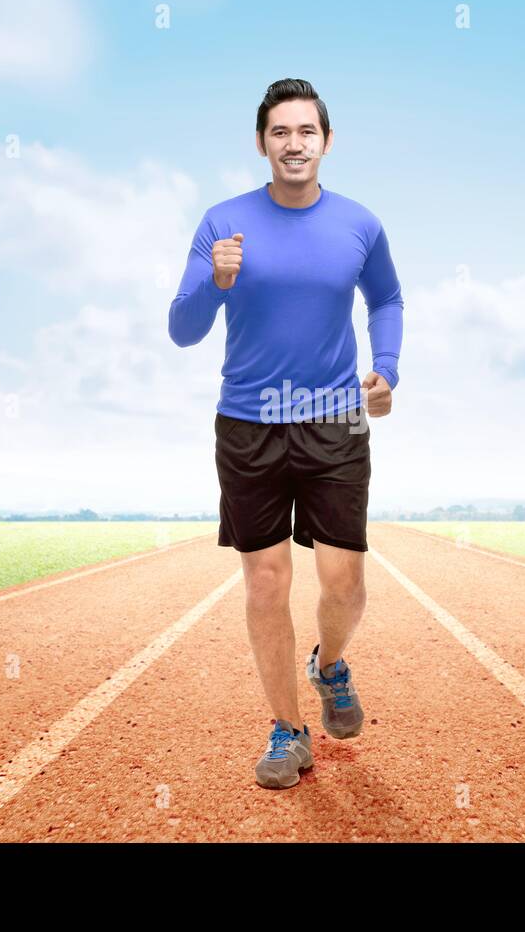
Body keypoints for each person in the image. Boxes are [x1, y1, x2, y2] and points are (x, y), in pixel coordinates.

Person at [168, 78, 404, 789]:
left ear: (326, 142)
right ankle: (288, 730)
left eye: (306, 132)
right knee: (266, 584)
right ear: (262, 142)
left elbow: (387, 297)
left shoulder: (360, 224)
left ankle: (328, 664)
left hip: (334, 418)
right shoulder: (223, 223)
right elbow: (183, 329)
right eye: (280, 132)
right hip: (247, 422)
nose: (293, 144)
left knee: (345, 580)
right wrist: (215, 280)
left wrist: (386, 368)